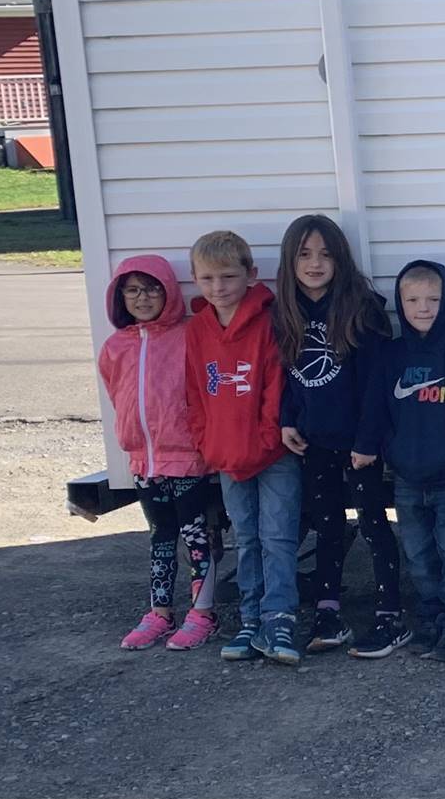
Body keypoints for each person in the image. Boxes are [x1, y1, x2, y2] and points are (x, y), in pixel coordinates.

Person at [270, 214, 404, 658]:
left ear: (340, 259)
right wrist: (289, 419)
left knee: (371, 523)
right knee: (327, 526)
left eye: (325, 254)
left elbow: (374, 384)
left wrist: (367, 442)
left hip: (358, 444)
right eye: (305, 254)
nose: (314, 263)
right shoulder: (285, 312)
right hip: (313, 441)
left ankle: (390, 612)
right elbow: (290, 375)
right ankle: (328, 611)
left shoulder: (360, 309)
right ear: (290, 260)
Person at [354, 260, 445, 663]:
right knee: (418, 553)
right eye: (413, 299)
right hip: (407, 477)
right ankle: (430, 616)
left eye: (433, 298)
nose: (423, 307)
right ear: (401, 302)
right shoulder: (391, 356)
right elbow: (376, 408)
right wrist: (378, 447)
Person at [183, 230, 300, 665]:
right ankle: (250, 618)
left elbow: (276, 385)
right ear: (195, 279)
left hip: (274, 456)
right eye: (207, 278)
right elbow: (195, 393)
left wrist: (267, 442)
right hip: (228, 457)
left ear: (251, 275)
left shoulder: (271, 321)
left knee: (278, 537)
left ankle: (281, 618)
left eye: (228, 276)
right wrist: (206, 442)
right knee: (247, 539)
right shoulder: (197, 330)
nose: (218, 287)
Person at [97, 254, 218, 651]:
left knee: (196, 535)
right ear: (120, 297)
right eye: (132, 290)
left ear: (168, 292)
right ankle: (160, 612)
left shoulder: (186, 335)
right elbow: (117, 392)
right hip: (144, 460)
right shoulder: (116, 346)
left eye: (152, 289)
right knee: (160, 536)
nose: (143, 297)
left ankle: (202, 613)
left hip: (184, 456)